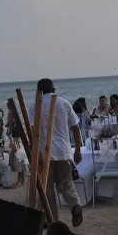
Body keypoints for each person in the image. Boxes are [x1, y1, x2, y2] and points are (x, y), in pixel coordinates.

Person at [34, 78, 84, 227]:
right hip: (63, 151)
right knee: (66, 184)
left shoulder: (36, 105)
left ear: (38, 92)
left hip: (44, 154)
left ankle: (52, 220)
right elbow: (75, 128)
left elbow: (32, 130)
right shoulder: (64, 103)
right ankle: (75, 205)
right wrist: (78, 150)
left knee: (47, 190)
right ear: (53, 90)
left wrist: (34, 153)